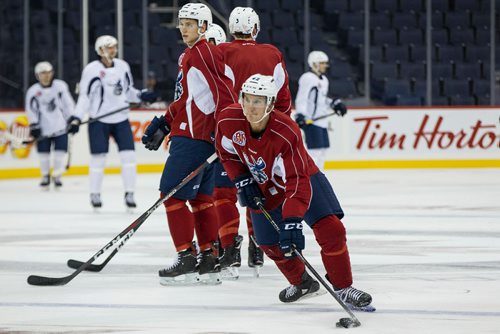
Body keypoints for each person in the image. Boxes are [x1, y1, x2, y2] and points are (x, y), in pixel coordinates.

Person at [215, 74, 374, 311]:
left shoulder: (286, 131)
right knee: (268, 242)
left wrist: (292, 221)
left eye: (258, 101)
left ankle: (343, 287)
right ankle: (302, 283)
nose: (251, 107)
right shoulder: (228, 119)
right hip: (264, 183)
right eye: (247, 99)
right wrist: (241, 179)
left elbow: (296, 181)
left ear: (270, 103)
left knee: (331, 229)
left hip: (303, 177)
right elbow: (226, 153)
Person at [141, 3, 237, 285]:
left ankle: (185, 255)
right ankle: (207, 258)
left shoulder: (204, 52)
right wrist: (166, 120)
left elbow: (224, 95)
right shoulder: (192, 54)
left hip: (194, 140)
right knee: (200, 199)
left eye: (190, 23)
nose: (183, 28)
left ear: (204, 27)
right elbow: (187, 100)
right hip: (195, 136)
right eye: (182, 23)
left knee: (170, 195)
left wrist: (224, 132)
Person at [211, 6, 296, 276]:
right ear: (255, 29)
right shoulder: (272, 53)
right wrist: (271, 130)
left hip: (228, 132)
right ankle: (257, 248)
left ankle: (229, 249)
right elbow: (283, 99)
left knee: (224, 192)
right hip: (264, 135)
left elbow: (212, 94)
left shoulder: (220, 51)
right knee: (258, 190)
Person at [73, 35, 141, 209]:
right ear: (100, 49)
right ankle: (95, 194)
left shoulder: (123, 66)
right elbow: (85, 96)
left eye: (114, 46)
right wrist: (76, 117)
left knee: (129, 157)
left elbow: (128, 90)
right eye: (109, 47)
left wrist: (142, 95)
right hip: (99, 120)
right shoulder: (91, 70)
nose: (113, 50)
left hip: (121, 118)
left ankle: (130, 193)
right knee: (98, 158)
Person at [25, 61, 78, 189]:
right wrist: (34, 125)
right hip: (43, 129)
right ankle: (45, 176)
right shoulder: (33, 91)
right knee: (44, 154)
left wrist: (73, 119)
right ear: (38, 75)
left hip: (60, 127)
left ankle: (57, 176)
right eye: (43, 73)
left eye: (49, 72)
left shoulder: (60, 86)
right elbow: (30, 109)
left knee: (60, 152)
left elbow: (68, 104)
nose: (47, 75)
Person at [294, 51, 347, 170]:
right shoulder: (307, 78)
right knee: (314, 153)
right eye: (322, 63)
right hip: (311, 121)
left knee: (323, 151)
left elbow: (322, 99)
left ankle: (320, 178)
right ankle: (313, 181)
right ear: (315, 64)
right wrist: (300, 115)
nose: (325, 66)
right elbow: (302, 98)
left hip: (321, 121)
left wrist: (335, 104)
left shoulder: (324, 80)